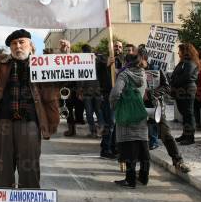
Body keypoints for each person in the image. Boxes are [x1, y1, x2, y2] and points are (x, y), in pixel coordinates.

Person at [0, 29, 60, 187]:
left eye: (22, 42)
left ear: (30, 45)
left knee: (30, 170)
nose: (18, 46)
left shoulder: (42, 65)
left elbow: (62, 79)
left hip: (30, 124)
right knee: (2, 170)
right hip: (3, 124)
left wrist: (65, 56)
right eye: (14, 44)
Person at [143, 54, 191, 173]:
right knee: (137, 137)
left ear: (143, 58)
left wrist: (150, 94)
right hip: (138, 109)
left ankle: (178, 161)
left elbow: (167, 87)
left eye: (138, 59)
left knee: (166, 134)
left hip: (156, 107)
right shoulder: (130, 71)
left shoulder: (156, 69)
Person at [110, 51, 150, 188]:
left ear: (126, 62)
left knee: (128, 148)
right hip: (140, 113)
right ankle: (144, 177)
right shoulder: (143, 74)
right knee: (142, 146)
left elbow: (115, 93)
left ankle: (130, 180)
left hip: (126, 115)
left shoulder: (124, 74)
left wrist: (116, 106)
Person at [170, 43, 200, 146]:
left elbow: (186, 77)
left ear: (185, 51)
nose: (178, 52)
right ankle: (185, 134)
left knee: (188, 114)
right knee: (184, 113)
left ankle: (190, 137)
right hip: (181, 90)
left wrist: (174, 82)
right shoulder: (183, 62)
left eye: (180, 51)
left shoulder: (190, 63)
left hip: (187, 90)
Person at [78, 44, 103, 138]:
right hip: (97, 90)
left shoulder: (83, 61)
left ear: (83, 51)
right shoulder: (97, 59)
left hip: (87, 91)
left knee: (89, 113)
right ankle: (100, 130)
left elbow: (80, 77)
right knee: (98, 111)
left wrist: (80, 91)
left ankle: (94, 131)